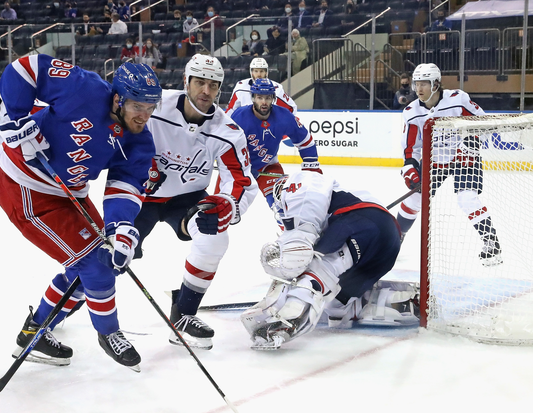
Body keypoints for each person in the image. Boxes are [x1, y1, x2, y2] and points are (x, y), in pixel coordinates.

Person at [0, 55, 162, 371]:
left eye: (151, 107)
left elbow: (125, 185)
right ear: (118, 98)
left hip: (70, 191)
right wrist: (17, 120)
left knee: (102, 260)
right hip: (24, 182)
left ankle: (36, 330)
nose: (145, 115)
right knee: (93, 265)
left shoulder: (138, 140)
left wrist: (121, 227)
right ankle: (108, 332)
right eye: (138, 106)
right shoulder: (83, 87)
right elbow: (25, 68)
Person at [135, 54, 258, 350]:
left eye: (213, 85)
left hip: (187, 198)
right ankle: (47, 319)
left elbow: (240, 180)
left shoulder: (226, 131)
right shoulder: (154, 105)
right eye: (200, 82)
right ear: (186, 81)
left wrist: (228, 204)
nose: (206, 90)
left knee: (215, 236)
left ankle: (184, 314)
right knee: (109, 254)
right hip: (141, 195)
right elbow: (118, 130)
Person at [240, 170, 402, 349]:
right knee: (336, 310)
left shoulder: (297, 184)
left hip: (362, 222)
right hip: (388, 244)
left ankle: (284, 324)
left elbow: (298, 253)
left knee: (319, 269)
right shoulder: (334, 195)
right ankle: (376, 300)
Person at [395, 63, 502, 266]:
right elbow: (411, 147)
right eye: (417, 83)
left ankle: (491, 242)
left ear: (436, 84)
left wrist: (470, 142)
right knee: (415, 198)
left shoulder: (458, 100)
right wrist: (409, 167)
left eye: (424, 83)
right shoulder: (411, 111)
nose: (419, 89)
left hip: (465, 156)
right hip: (436, 159)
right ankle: (394, 240)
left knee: (466, 198)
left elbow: (483, 122)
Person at [227, 78, 319, 224]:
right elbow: (225, 145)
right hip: (239, 169)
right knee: (227, 211)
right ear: (253, 98)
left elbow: (305, 140)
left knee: (281, 204)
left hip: (267, 166)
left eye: (268, 98)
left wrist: (311, 165)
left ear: (273, 99)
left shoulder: (284, 117)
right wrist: (240, 168)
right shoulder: (239, 116)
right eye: (259, 97)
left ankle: (291, 238)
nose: (264, 102)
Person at [226, 57, 297, 117]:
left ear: (266, 72)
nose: (259, 74)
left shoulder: (276, 88)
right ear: (251, 72)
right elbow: (231, 109)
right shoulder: (240, 87)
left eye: (261, 71)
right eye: (256, 71)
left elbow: (291, 108)